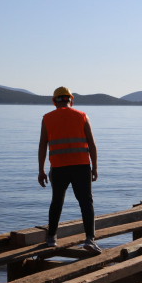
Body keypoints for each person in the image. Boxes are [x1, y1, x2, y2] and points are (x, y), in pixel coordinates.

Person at [38, 87, 101, 253]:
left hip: (58, 167)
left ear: (54, 101)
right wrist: (94, 167)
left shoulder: (47, 118)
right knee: (86, 202)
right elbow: (92, 144)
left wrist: (41, 170)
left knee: (57, 202)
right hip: (81, 166)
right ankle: (89, 239)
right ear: (70, 100)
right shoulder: (82, 116)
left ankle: (51, 238)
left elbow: (42, 146)